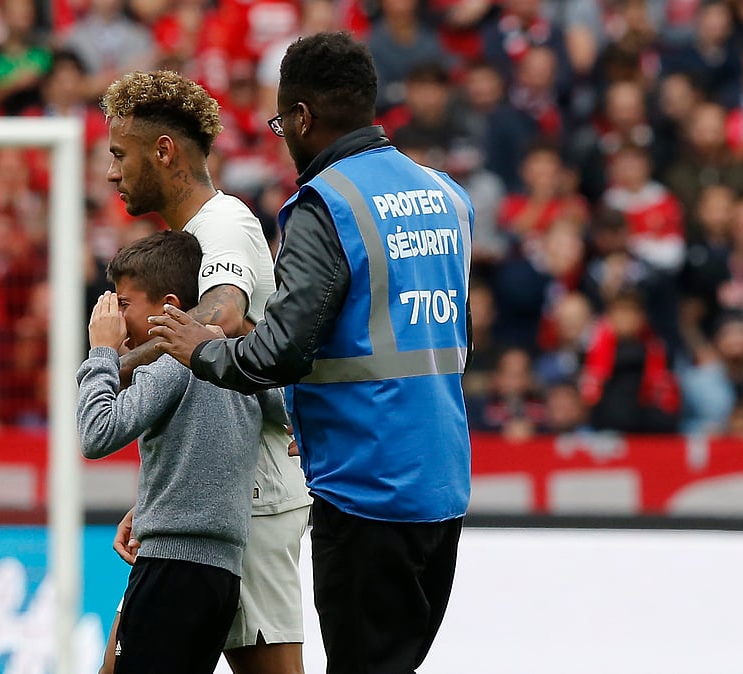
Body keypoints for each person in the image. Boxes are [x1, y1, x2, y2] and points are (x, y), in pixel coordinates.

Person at [149, 32, 473, 673]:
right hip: (443, 479)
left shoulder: (328, 203)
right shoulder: (444, 194)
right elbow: (438, 333)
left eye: (280, 121)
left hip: (365, 485)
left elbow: (283, 350)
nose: (282, 136)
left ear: (303, 116)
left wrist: (201, 351)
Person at [98, 69, 311, 674]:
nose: (112, 171)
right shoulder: (189, 236)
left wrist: (116, 361)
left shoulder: (223, 224)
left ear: (163, 151)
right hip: (209, 495)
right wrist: (169, 497)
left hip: (254, 496)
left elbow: (221, 314)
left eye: (120, 154)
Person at [77, 230, 276, 673]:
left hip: (173, 569)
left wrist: (101, 352)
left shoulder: (173, 361)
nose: (116, 315)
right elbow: (280, 403)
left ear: (169, 307)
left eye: (124, 305)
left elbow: (96, 432)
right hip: (219, 574)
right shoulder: (234, 357)